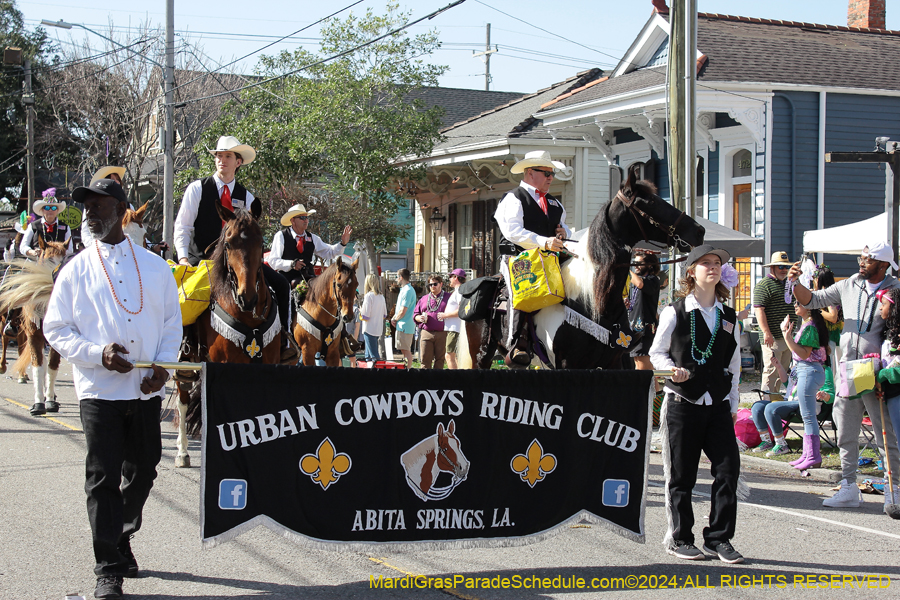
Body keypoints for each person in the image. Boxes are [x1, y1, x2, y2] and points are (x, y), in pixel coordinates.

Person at [43, 178, 181, 600]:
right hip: (98, 392)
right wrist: (95, 353)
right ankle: (108, 569)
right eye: (87, 208)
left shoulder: (157, 268)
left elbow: (171, 325)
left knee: (144, 471)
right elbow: (55, 328)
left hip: (144, 392)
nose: (90, 215)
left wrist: (163, 369)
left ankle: (121, 534)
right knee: (102, 479)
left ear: (122, 210)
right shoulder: (75, 270)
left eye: (99, 207)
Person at [649, 244, 744, 564]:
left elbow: (734, 366)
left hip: (717, 404)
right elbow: (656, 353)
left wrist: (732, 406)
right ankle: (680, 537)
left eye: (717, 263)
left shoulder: (729, 316)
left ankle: (718, 538)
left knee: (728, 470)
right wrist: (669, 371)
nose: (713, 267)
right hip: (683, 402)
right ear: (691, 271)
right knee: (682, 475)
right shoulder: (674, 311)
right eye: (706, 263)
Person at [788, 241, 900, 508]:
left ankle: (893, 489)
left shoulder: (895, 289)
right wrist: (794, 284)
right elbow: (814, 300)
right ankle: (849, 486)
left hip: (877, 371)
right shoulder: (849, 284)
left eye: (868, 260)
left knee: (885, 431)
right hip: (848, 369)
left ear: (883, 265)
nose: (861, 263)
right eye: (861, 258)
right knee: (846, 429)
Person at [173, 135, 294, 363]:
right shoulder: (197, 189)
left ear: (238, 162)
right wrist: (182, 258)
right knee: (186, 297)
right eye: (219, 155)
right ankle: (183, 348)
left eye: (228, 156)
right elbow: (183, 227)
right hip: (203, 261)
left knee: (282, 285)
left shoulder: (247, 197)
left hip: (238, 261)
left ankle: (285, 342)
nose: (222, 160)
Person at [494, 150, 571, 368]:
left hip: (551, 260)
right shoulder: (513, 198)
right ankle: (517, 343)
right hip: (519, 259)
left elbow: (564, 227)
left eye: (552, 173)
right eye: (546, 173)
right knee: (522, 291)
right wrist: (543, 241)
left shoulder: (556, 203)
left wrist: (565, 233)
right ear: (529, 173)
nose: (550, 178)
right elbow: (512, 231)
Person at [754, 303, 829, 468]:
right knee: (807, 414)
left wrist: (786, 336)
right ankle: (808, 454)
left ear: (809, 307)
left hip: (809, 371)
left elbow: (804, 353)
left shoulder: (810, 327)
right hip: (806, 371)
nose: (795, 305)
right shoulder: (808, 325)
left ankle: (813, 455)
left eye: (799, 302)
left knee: (808, 416)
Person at [750, 354, 835, 467]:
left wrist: (824, 395)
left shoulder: (823, 369)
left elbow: (832, 395)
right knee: (758, 406)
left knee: (771, 408)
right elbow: (789, 385)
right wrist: (779, 367)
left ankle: (781, 444)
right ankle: (767, 441)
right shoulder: (798, 366)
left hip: (807, 404)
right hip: (790, 400)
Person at [268, 203, 352, 287]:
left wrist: (343, 243)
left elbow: (330, 252)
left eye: (307, 217)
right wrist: (291, 264)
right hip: (287, 281)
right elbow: (273, 261)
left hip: (309, 279)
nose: (306, 221)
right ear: (293, 221)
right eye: (302, 218)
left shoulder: (312, 238)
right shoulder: (281, 236)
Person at [753, 251, 797, 399]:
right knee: (771, 371)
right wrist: (766, 333)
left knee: (782, 372)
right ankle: (765, 404)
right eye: (780, 267)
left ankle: (776, 404)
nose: (784, 270)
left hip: (787, 337)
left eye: (786, 267)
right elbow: (759, 310)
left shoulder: (788, 283)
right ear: (772, 267)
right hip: (772, 338)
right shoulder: (764, 285)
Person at [875, 287, 900, 508]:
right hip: (891, 394)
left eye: (883, 304)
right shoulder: (889, 332)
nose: (880, 308)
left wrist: (880, 375)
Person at [627, 249, 661, 387]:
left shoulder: (653, 280)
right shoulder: (635, 283)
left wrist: (626, 270)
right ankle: (654, 401)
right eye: (634, 263)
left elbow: (641, 284)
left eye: (638, 263)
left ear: (650, 265)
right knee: (642, 368)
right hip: (635, 328)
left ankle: (654, 402)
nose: (635, 266)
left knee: (643, 369)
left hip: (645, 329)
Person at [20, 187, 73, 259]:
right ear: (42, 210)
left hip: (59, 264)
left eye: (53, 208)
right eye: (47, 208)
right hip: (36, 264)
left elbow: (70, 250)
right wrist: (32, 252)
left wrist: (57, 252)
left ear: (57, 210)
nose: (50, 210)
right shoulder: (33, 226)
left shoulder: (65, 227)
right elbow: (23, 246)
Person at [413, 275, 450, 369]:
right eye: (430, 284)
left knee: (440, 359)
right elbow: (415, 314)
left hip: (442, 332)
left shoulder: (449, 297)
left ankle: (437, 381)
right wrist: (419, 318)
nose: (432, 286)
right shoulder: (423, 299)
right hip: (426, 332)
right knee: (425, 359)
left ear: (441, 284)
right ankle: (425, 381)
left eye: (435, 284)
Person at [439, 268, 466, 370]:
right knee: (455, 356)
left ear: (456, 278)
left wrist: (444, 315)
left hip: (455, 328)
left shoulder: (459, 291)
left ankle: (454, 379)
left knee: (449, 355)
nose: (449, 279)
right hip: (455, 328)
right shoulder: (459, 291)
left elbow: (461, 310)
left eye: (451, 276)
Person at [390, 268, 416, 367]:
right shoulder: (406, 289)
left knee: (406, 350)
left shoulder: (408, 291)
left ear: (401, 277)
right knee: (404, 350)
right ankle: (406, 368)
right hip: (403, 325)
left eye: (397, 277)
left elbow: (403, 310)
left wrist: (394, 318)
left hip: (405, 325)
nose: (396, 279)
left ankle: (408, 370)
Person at [360, 274, 387, 363]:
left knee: (374, 356)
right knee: (368, 356)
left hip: (369, 329)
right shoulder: (381, 296)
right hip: (378, 329)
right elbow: (384, 315)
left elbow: (365, 316)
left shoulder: (368, 296)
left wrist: (360, 310)